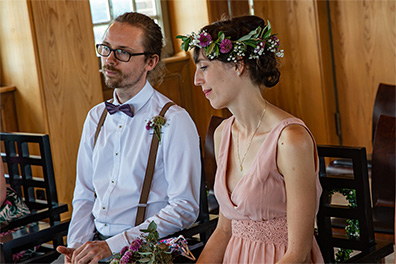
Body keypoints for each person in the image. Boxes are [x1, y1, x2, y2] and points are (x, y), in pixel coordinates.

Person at [56, 12, 201, 264]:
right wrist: (77, 247)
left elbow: (185, 207)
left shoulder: (174, 120)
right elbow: (84, 193)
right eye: (106, 49)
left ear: (151, 62)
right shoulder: (95, 117)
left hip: (146, 250)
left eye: (123, 52)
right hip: (94, 246)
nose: (109, 60)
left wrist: (112, 246)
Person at [177, 15, 324, 263]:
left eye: (203, 67)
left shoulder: (290, 140)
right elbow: (224, 230)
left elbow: (298, 253)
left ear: (238, 65)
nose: (196, 80)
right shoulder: (223, 133)